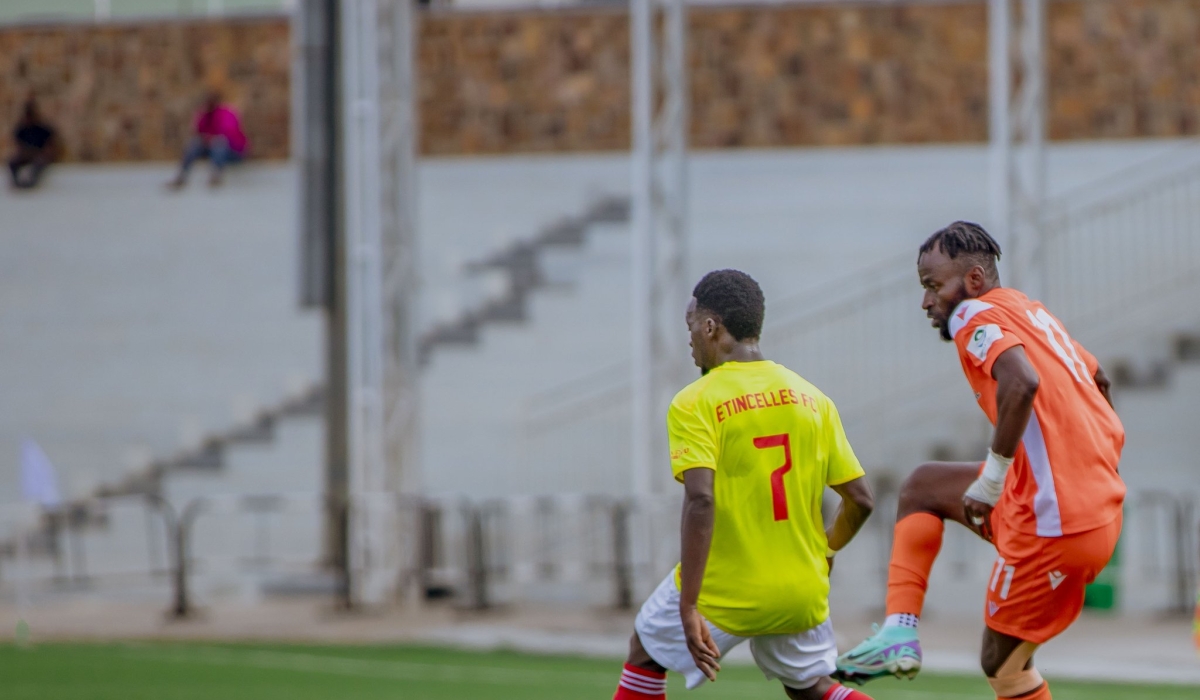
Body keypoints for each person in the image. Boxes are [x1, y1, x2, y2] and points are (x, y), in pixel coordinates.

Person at [834, 222, 1125, 700]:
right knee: (923, 486)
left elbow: (1022, 382)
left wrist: (991, 481)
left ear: (971, 281)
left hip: (1058, 524)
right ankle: (898, 632)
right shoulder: (1028, 309)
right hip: (1087, 505)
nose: (926, 302)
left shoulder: (972, 314)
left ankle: (901, 635)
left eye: (933, 286)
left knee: (1002, 666)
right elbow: (1101, 380)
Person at [612, 269, 877, 700]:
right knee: (812, 688)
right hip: (800, 588)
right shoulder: (812, 398)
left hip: (726, 589)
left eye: (691, 325)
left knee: (645, 651)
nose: (690, 337)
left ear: (711, 326)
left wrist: (689, 603)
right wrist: (825, 550)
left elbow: (700, 500)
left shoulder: (695, 401)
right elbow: (862, 501)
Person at [167, 91, 248, 189]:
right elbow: (197, 131)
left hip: (232, 151)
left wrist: (213, 139)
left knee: (219, 144)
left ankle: (216, 176)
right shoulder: (204, 114)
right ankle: (182, 177)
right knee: (194, 144)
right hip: (211, 151)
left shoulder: (227, 113)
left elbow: (231, 134)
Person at [9, 98, 59, 190]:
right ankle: (16, 182)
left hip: (39, 154)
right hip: (26, 153)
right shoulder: (22, 130)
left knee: (39, 163)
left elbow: (50, 145)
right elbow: (18, 145)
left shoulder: (43, 129)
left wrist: (46, 153)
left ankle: (32, 182)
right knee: (12, 163)